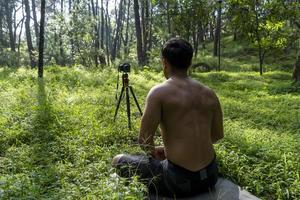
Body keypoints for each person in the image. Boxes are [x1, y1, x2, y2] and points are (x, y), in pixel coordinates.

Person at [112, 38, 224, 198]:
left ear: (164, 62)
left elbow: (144, 141)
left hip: (179, 181)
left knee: (117, 160)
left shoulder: (159, 93)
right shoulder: (209, 93)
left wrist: (159, 153)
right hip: (211, 176)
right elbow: (217, 135)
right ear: (190, 62)